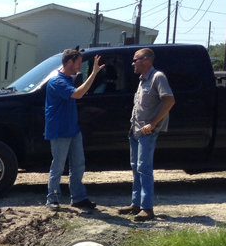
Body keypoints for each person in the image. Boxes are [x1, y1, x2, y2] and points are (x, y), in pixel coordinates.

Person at [118, 48, 175, 221]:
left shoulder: (158, 77)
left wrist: (153, 123)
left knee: (144, 168)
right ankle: (136, 204)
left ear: (147, 60)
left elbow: (170, 100)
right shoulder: (142, 79)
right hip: (135, 131)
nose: (133, 63)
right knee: (136, 167)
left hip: (147, 132)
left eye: (136, 60)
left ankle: (147, 208)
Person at [44, 49, 104, 211]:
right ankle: (52, 199)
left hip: (72, 129)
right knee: (58, 166)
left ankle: (78, 198)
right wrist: (94, 73)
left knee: (78, 165)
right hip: (59, 130)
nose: (79, 67)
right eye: (78, 64)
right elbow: (78, 94)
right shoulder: (57, 81)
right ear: (69, 62)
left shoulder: (67, 79)